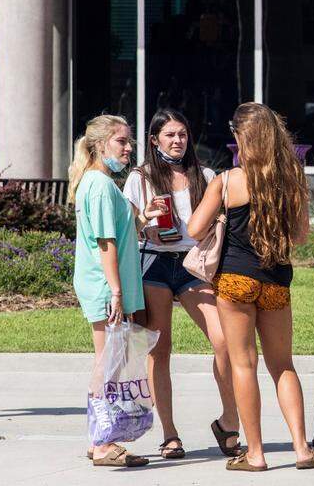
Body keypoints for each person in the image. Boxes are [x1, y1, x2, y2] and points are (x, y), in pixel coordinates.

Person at [188, 103, 314, 472]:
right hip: (276, 281)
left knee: (243, 366)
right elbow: (299, 236)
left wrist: (222, 213)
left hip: (235, 279)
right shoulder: (291, 178)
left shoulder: (227, 180)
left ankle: (255, 454)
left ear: (240, 137)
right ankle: (302, 449)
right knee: (283, 366)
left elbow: (193, 229)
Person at [123, 108, 242, 460]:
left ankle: (229, 421)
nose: (178, 141)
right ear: (154, 139)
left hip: (193, 265)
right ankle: (170, 436)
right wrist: (146, 221)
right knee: (160, 349)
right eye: (170, 135)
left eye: (183, 135)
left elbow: (216, 220)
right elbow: (127, 229)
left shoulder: (204, 175)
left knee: (223, 341)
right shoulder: (140, 178)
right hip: (155, 263)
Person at [68, 114, 161, 468]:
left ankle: (100, 439)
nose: (128, 148)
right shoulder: (101, 185)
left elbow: (115, 232)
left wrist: (142, 217)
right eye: (121, 141)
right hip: (106, 286)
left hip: (106, 283)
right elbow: (105, 244)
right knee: (108, 363)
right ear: (100, 144)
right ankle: (103, 442)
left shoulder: (97, 183)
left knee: (109, 361)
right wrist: (117, 292)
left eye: (129, 141)